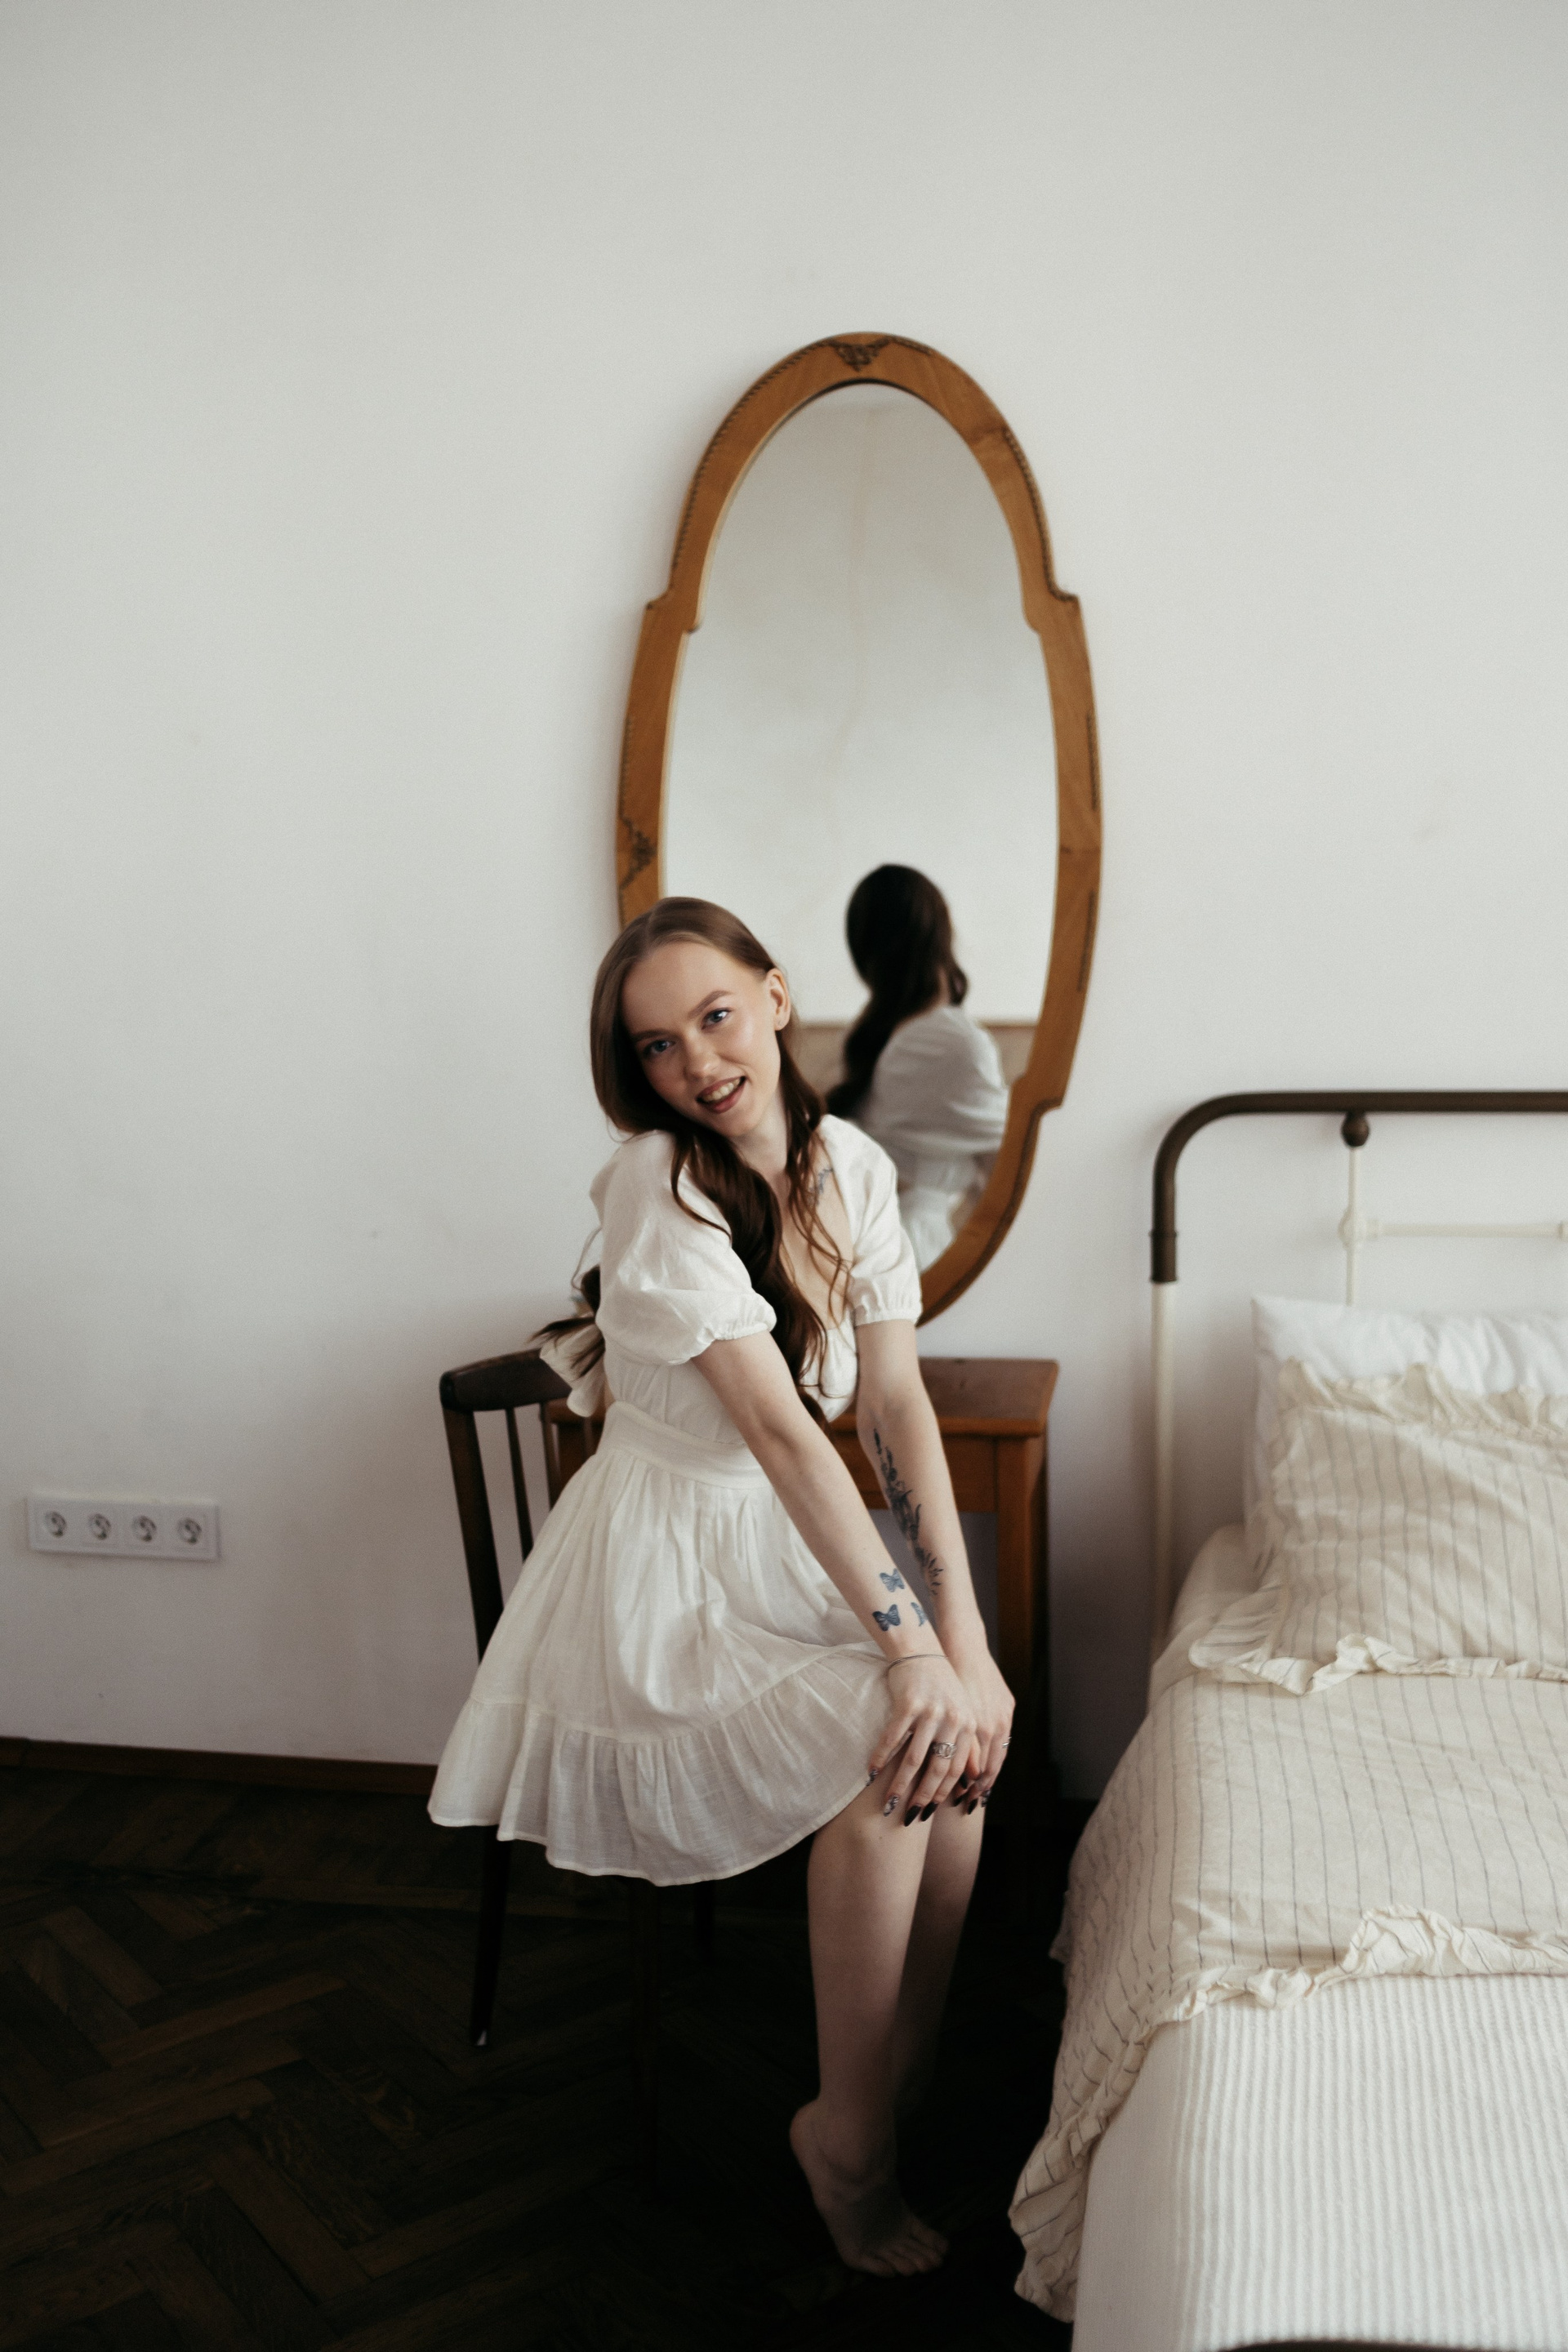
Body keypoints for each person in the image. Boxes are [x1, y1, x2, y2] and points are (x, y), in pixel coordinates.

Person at [430, 895, 1013, 2277]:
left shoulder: (852, 1165)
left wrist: (962, 1638)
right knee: (896, 1747)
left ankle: (900, 2069)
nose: (696, 1061)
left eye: (715, 1016)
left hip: (776, 1547)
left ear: (776, 995)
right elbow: (781, 1434)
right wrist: (910, 1654)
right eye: (657, 1045)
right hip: (657, 1572)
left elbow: (895, 1403)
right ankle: (847, 2142)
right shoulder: (657, 1182)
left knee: (963, 1737)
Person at [826, 866, 1010, 1272]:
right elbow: (1013, 1167)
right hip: (916, 1253)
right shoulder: (945, 1042)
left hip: (887, 1245)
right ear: (941, 935)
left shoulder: (883, 1035)